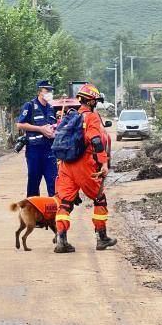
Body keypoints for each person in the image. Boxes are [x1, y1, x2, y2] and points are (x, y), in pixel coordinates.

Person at [54, 83, 116, 253]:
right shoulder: (91, 117)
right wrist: (103, 163)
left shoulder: (69, 117)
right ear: (91, 102)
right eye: (95, 100)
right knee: (99, 199)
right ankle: (102, 238)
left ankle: (61, 240)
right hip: (84, 165)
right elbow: (96, 141)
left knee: (65, 203)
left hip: (66, 165)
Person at [16, 81, 58, 197]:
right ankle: (32, 211)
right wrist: (40, 129)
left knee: (54, 183)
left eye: (51, 90)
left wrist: (54, 132)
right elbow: (20, 124)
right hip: (34, 151)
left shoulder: (51, 108)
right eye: (47, 90)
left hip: (50, 150)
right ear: (39, 92)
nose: (50, 93)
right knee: (33, 184)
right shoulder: (30, 106)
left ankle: (56, 212)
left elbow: (54, 125)